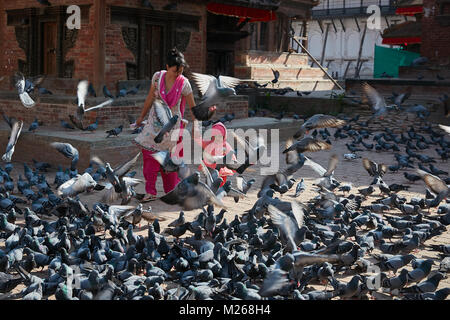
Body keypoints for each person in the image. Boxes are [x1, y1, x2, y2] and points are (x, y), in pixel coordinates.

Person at [134, 48, 195, 202]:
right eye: (176, 71)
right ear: (167, 67)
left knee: (170, 162)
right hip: (153, 125)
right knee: (149, 158)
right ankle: (150, 192)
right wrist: (140, 118)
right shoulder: (157, 77)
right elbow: (149, 98)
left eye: (181, 71)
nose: (178, 75)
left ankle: (171, 191)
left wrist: (197, 126)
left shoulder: (184, 84)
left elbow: (193, 107)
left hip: (172, 128)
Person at [194, 121, 236, 187]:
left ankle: (220, 191)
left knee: (221, 183)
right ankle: (209, 191)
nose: (217, 138)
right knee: (209, 181)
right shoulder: (209, 144)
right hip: (211, 169)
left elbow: (231, 156)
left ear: (224, 136)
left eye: (220, 136)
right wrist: (196, 129)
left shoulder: (226, 146)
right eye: (215, 136)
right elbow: (199, 141)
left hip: (221, 170)